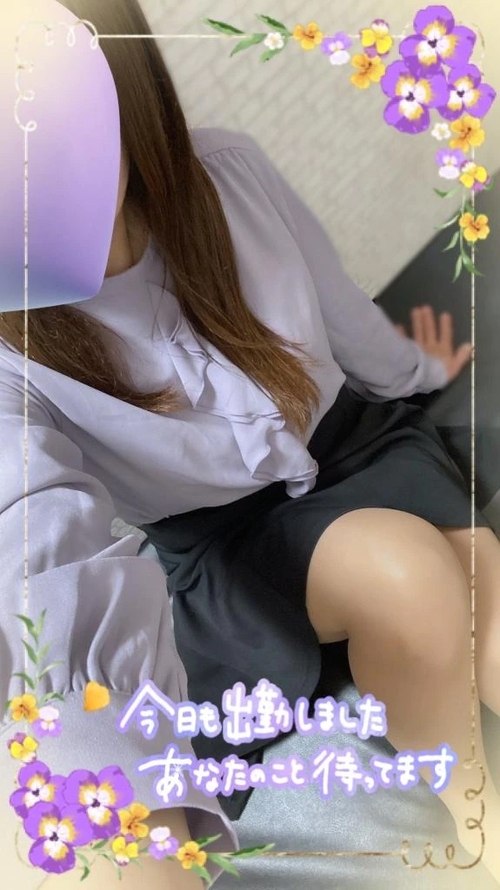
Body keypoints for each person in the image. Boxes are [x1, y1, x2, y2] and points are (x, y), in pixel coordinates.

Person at [1, 1, 499, 888]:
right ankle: (475, 833)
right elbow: (36, 558)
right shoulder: (14, 353)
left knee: (488, 615)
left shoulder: (227, 172)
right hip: (231, 543)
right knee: (407, 573)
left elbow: (343, 314)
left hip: (359, 446)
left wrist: (420, 372)